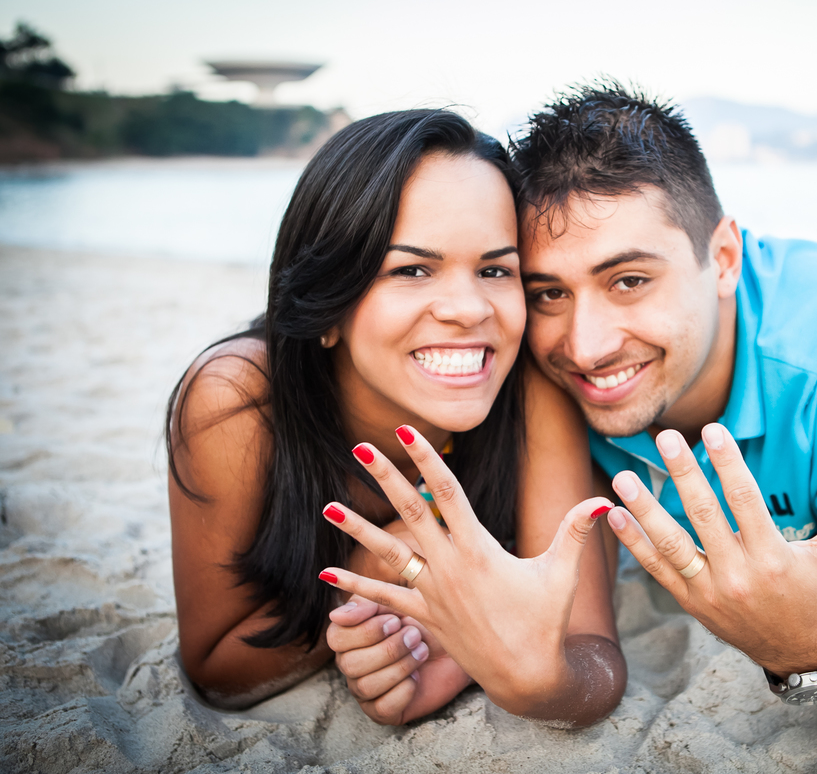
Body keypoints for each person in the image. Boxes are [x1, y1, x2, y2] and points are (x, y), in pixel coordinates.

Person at [507, 82, 817, 726]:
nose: (586, 347)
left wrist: (815, 651)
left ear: (725, 258)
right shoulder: (538, 353)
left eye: (629, 280)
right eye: (549, 293)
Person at [166, 109, 625, 726]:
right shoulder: (238, 399)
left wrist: (519, 674)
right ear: (327, 303)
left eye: (495, 269)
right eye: (411, 269)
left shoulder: (530, 388)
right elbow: (212, 668)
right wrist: (372, 576)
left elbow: (590, 648)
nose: (468, 309)